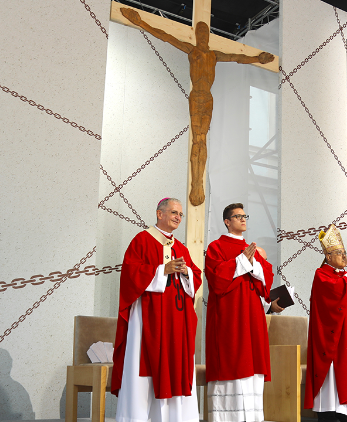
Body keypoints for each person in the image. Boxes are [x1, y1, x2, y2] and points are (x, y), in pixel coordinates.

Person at [119, 8, 273, 206]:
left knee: (202, 140)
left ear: (207, 37)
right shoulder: (192, 50)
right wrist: (141, 22)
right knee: (197, 139)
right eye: (199, 33)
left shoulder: (214, 55)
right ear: (196, 35)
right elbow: (165, 36)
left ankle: (199, 183)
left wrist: (257, 58)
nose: (202, 36)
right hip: (197, 96)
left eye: (205, 34)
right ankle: (196, 184)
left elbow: (237, 57)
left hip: (208, 97)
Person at [112, 198, 202, 422]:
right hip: (148, 316)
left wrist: (185, 273)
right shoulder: (142, 240)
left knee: (176, 363)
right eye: (173, 212)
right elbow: (130, 274)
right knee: (144, 365)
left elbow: (196, 276)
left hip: (176, 318)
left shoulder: (180, 247)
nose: (178, 217)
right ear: (159, 214)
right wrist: (163, 270)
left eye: (180, 214)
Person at [204, 203, 284, 422]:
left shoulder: (252, 249)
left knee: (253, 363)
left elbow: (264, 282)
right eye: (237, 216)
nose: (242, 219)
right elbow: (217, 278)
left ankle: (253, 417)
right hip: (229, 316)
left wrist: (254, 263)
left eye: (244, 215)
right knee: (232, 361)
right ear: (227, 221)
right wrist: (242, 261)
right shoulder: (216, 247)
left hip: (252, 315)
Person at [304, 224, 347, 422]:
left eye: (344, 253)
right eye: (340, 253)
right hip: (331, 333)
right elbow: (334, 294)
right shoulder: (321, 274)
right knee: (332, 370)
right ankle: (326, 411)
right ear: (328, 256)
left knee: (345, 370)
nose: (345, 256)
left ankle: (342, 410)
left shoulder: (344, 275)